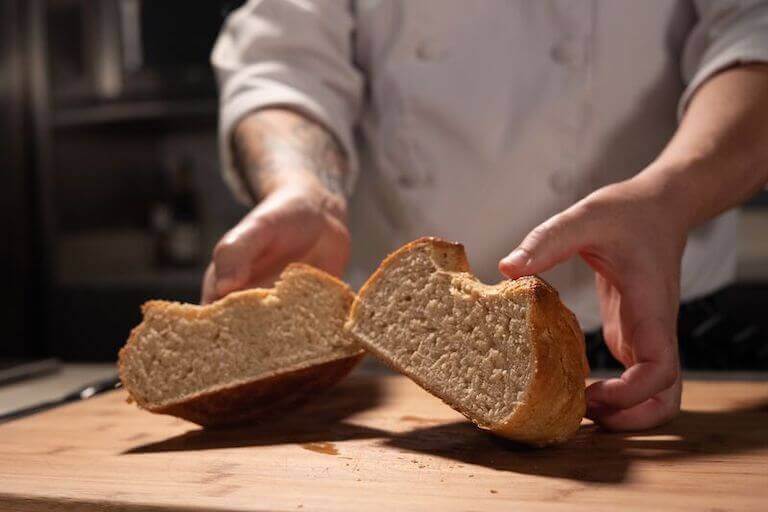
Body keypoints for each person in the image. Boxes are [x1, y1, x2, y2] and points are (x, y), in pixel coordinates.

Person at [203, 1, 768, 431]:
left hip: (655, 324)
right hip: (400, 355)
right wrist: (303, 186)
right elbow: (282, 57)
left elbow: (753, 29)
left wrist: (668, 199)